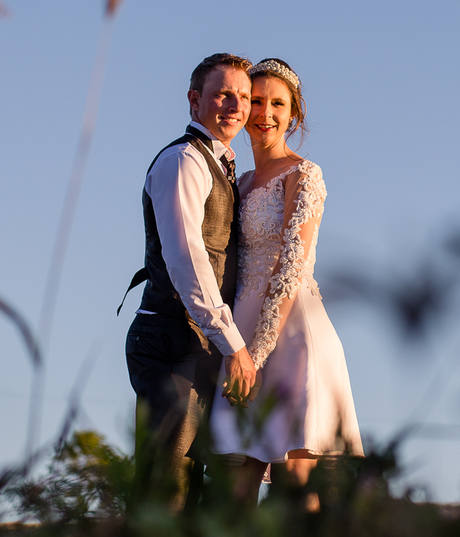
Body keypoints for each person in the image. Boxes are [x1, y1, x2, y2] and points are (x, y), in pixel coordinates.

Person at [209, 57, 364, 508]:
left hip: (293, 333)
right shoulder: (238, 183)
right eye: (256, 101)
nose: (265, 112)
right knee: (232, 491)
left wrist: (255, 353)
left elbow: (292, 264)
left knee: (296, 493)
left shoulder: (304, 175)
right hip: (238, 329)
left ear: (293, 115)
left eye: (278, 103)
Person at [123, 53, 258, 511]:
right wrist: (233, 344)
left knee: (199, 486)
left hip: (198, 340)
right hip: (170, 336)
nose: (235, 106)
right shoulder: (184, 162)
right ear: (194, 100)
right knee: (166, 487)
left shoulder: (223, 166)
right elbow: (187, 261)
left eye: (244, 96)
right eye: (223, 94)